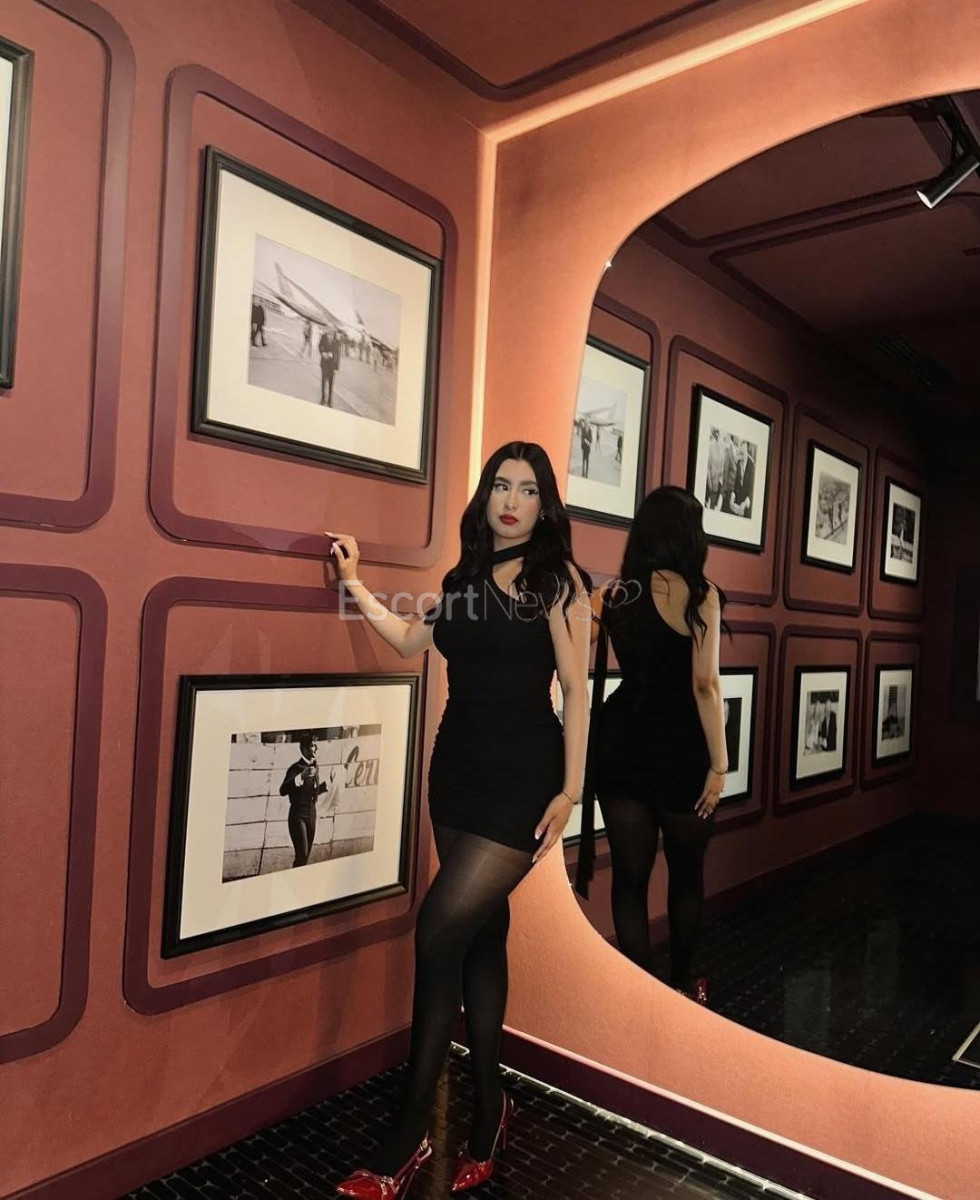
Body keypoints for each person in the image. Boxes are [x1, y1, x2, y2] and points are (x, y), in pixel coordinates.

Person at [326, 441, 592, 1199]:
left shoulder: (557, 581)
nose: (512, 501)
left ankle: (409, 1136)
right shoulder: (464, 579)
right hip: (456, 778)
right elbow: (412, 640)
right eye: (502, 486)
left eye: (528, 490)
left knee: (439, 930)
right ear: (486, 496)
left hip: (522, 784)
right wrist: (355, 582)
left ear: (545, 505)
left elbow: (576, 690)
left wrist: (571, 792)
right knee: (479, 939)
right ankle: (489, 1112)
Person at [577, 485, 729, 1006]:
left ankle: (640, 999)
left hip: (623, 743)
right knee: (686, 878)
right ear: (690, 535)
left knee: (629, 880)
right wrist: (719, 764)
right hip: (682, 747)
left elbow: (571, 647)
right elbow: (705, 686)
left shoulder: (615, 593)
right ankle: (683, 990)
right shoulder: (703, 594)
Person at [279, 733, 329, 868]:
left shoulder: (316, 767)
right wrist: (301, 776)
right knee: (302, 855)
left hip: (311, 815)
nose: (316, 748)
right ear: (304, 749)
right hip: (297, 816)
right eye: (313, 746)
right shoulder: (295, 768)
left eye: (316, 745)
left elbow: (311, 793)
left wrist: (326, 786)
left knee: (305, 858)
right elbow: (282, 790)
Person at [729, 440, 754, 518]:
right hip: (738, 502)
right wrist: (733, 496)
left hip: (747, 504)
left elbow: (752, 489)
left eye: (743, 453)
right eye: (741, 453)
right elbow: (736, 482)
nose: (741, 456)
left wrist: (745, 503)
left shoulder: (752, 466)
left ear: (747, 451)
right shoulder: (739, 463)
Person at [319, 325, 342, 406]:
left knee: (331, 383)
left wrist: (337, 367)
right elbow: (320, 346)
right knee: (323, 382)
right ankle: (322, 398)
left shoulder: (337, 340)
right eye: (329, 328)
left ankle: (329, 400)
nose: (330, 330)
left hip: (332, 365)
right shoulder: (323, 337)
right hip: (324, 363)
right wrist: (323, 353)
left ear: (334, 331)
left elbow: (338, 354)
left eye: (332, 329)